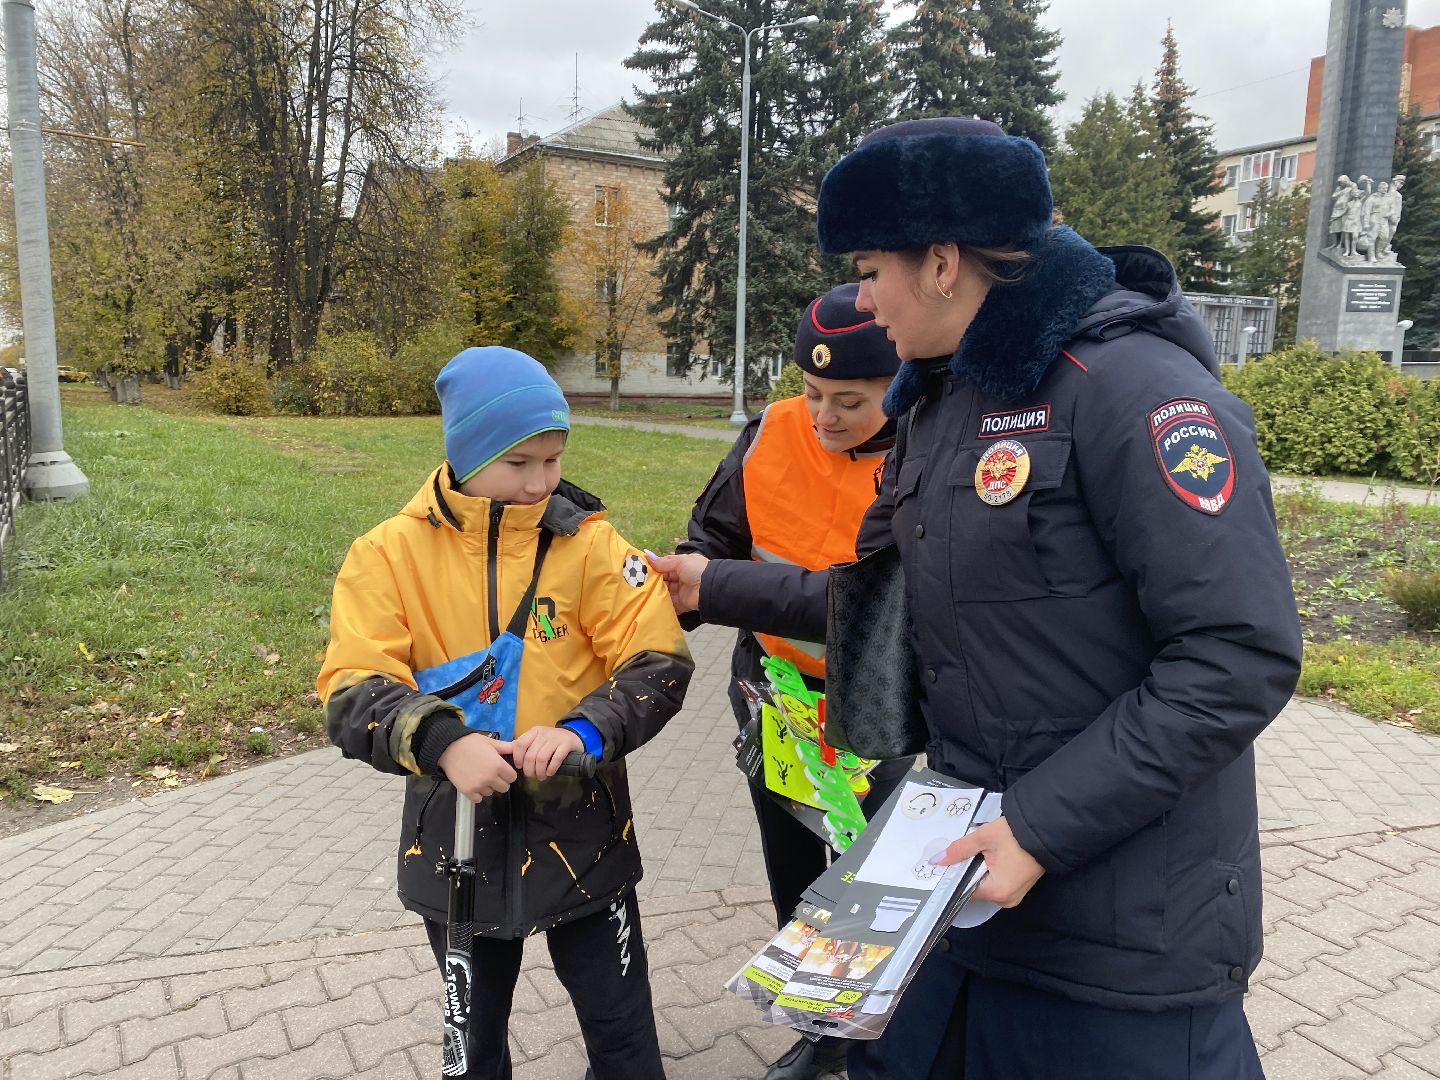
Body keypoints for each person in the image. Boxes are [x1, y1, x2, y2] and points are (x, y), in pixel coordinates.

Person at [814, 117, 1302, 1079]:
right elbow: (898, 597)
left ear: (943, 263)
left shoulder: (1136, 391)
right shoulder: (946, 400)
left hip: (1121, 939)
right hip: (971, 900)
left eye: (870, 271)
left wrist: (1039, 828)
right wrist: (713, 583)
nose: (861, 301)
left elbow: (1237, 655)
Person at [318, 346, 694, 1080]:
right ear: (466, 453)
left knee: (621, 1029)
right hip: (456, 841)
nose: (539, 482)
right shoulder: (387, 555)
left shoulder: (591, 545)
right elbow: (352, 685)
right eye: (518, 462)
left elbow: (659, 659)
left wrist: (585, 730)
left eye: (553, 460)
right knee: (474, 1043)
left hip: (585, 830)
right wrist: (443, 741)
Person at [650, 283, 913, 1080]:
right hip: (774, 694)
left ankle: (883, 1034)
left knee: (869, 885)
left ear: (898, 384)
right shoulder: (770, 430)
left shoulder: (923, 452)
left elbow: (881, 602)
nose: (823, 416)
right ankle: (821, 1031)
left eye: (850, 401)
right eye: (811, 391)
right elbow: (714, 541)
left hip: (875, 709)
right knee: (794, 870)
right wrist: (668, 595)